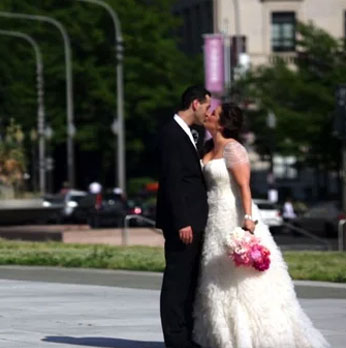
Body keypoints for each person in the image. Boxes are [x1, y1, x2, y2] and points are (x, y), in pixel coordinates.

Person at [193, 103, 329, 348]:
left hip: (233, 215)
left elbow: (245, 187)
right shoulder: (208, 148)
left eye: (213, 113)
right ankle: (223, 336)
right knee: (217, 278)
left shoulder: (234, 149)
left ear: (222, 123)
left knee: (243, 278)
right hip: (213, 219)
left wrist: (248, 219)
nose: (208, 115)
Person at [156, 85, 211, 348]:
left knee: (190, 280)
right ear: (194, 104)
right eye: (206, 107)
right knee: (177, 281)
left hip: (195, 219)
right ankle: (175, 339)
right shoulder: (170, 132)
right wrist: (182, 221)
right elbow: (172, 181)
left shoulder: (192, 133)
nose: (207, 112)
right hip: (184, 222)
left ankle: (187, 335)